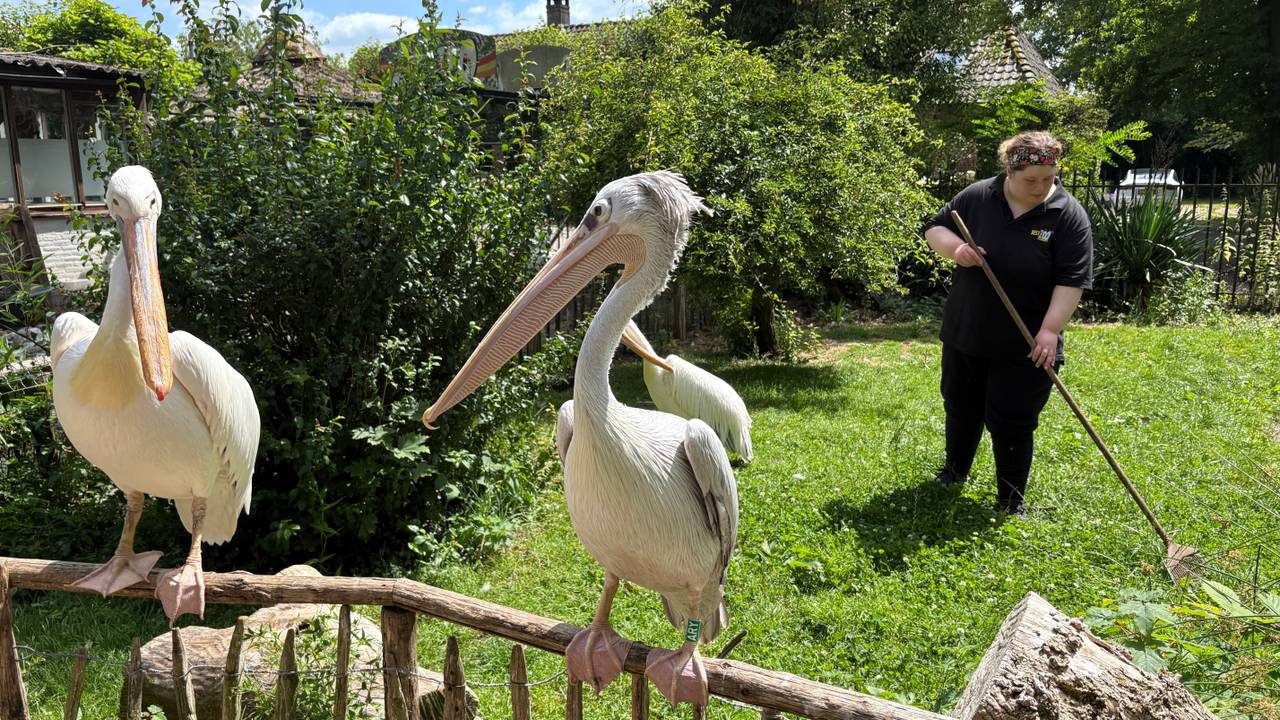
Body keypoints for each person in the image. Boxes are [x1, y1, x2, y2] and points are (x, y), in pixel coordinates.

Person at [922, 131, 1093, 515]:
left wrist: (1050, 330)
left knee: (1013, 418)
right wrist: (957, 249)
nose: (1040, 187)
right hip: (968, 329)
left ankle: (1010, 500)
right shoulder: (979, 196)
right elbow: (935, 227)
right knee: (961, 405)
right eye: (1030, 179)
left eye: (1048, 178)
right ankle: (954, 473)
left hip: (1027, 342)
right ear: (1009, 171)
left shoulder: (1068, 215)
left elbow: (1072, 280)